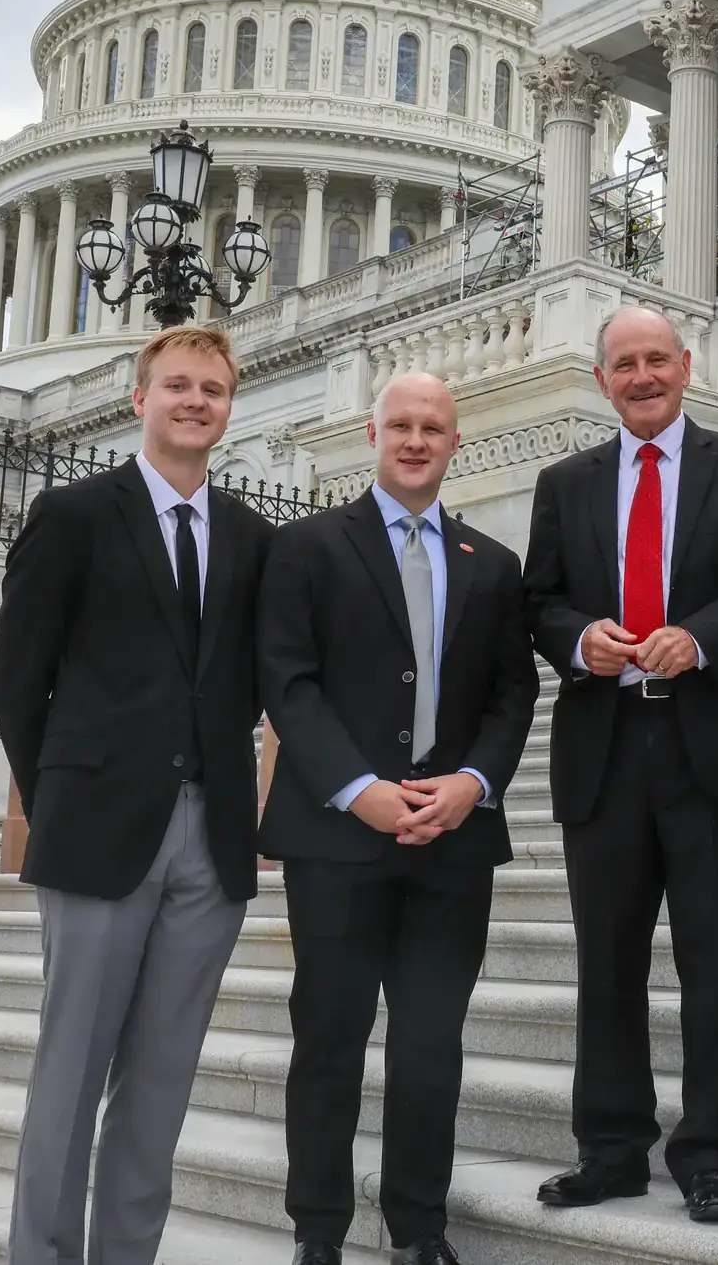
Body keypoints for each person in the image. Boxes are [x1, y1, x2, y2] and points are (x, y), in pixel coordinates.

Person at [0, 326, 275, 1265]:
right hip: (98, 836)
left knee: (160, 1088)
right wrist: (61, 798)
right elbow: (15, 678)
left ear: (230, 406)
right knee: (68, 1078)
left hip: (213, 841)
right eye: (179, 385)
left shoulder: (251, 536)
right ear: (141, 396)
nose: (197, 401)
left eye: (214, 389)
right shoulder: (72, 514)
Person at [523, 306, 718, 1226]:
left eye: (656, 360)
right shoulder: (565, 482)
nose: (641, 376)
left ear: (686, 366)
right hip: (605, 748)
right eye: (623, 364)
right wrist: (578, 641)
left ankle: (713, 1156)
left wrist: (702, 638)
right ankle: (610, 1149)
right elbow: (541, 601)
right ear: (601, 379)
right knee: (608, 962)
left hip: (715, 744)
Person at [257, 372, 538, 1265]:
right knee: (330, 1039)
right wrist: (357, 787)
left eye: (434, 427)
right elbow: (288, 684)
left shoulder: (491, 563)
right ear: (372, 433)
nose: (416, 440)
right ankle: (319, 1233)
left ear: (456, 441)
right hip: (338, 836)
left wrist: (474, 783)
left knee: (429, 1046)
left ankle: (420, 1228)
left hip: (451, 841)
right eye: (402, 425)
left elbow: (512, 694)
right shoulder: (306, 547)